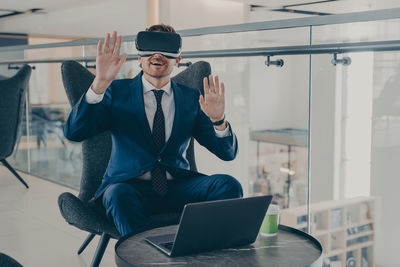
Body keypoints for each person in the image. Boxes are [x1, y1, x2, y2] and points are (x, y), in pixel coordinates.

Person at [63, 24, 242, 237]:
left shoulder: (191, 98)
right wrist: (99, 84)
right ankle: (145, 258)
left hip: (177, 186)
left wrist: (218, 120)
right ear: (140, 58)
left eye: (166, 49)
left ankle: (204, 248)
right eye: (150, 48)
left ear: (177, 59)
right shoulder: (116, 92)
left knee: (228, 185)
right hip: (129, 187)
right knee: (118, 195)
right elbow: (74, 133)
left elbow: (227, 154)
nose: (157, 54)